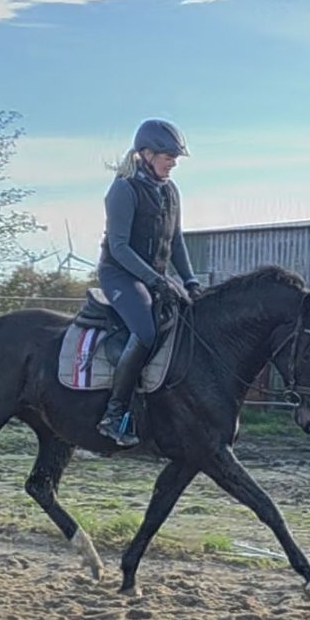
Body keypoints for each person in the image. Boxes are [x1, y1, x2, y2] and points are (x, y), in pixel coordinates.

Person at [95, 118, 203, 446]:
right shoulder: (123, 189)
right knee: (145, 331)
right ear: (145, 154)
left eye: (175, 158)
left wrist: (190, 280)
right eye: (168, 156)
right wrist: (155, 281)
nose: (173, 163)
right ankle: (113, 415)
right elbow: (119, 247)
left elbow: (177, 240)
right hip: (120, 274)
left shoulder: (170, 191)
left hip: (156, 276)